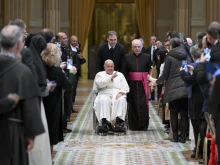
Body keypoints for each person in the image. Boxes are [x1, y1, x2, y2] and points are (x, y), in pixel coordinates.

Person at [0, 25, 45, 165]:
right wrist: (30, 134)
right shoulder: (22, 71)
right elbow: (30, 105)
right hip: (12, 131)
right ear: (19, 44)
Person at [152, 37, 188, 143]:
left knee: (173, 113)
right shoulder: (186, 54)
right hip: (185, 86)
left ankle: (175, 137)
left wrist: (157, 81)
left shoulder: (169, 57)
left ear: (171, 46)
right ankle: (183, 137)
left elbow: (165, 75)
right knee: (184, 113)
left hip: (172, 88)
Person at [42, 43, 77, 153]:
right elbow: (68, 86)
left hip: (41, 104)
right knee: (51, 131)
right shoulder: (57, 71)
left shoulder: (40, 68)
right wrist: (71, 73)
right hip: (53, 104)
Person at [93, 60, 129, 134]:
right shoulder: (99, 74)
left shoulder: (120, 74)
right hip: (104, 93)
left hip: (117, 93)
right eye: (108, 66)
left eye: (111, 66)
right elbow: (99, 84)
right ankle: (104, 123)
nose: (110, 68)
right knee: (103, 100)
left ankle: (119, 123)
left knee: (121, 99)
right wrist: (110, 78)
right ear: (104, 67)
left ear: (114, 66)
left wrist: (121, 93)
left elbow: (126, 87)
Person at [126, 39, 151, 131]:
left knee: (143, 104)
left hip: (143, 84)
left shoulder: (147, 57)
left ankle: (144, 125)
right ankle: (133, 125)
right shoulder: (127, 57)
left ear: (142, 47)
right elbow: (125, 72)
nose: (137, 48)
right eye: (135, 47)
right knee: (132, 104)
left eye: (139, 46)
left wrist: (150, 83)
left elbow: (150, 71)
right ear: (132, 48)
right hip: (131, 85)